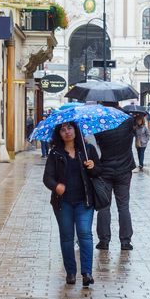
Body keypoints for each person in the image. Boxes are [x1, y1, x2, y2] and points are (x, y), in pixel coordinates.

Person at [42, 121, 100, 287]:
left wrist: (93, 166)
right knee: (67, 237)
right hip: (63, 202)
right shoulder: (55, 154)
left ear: (76, 130)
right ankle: (71, 272)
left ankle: (87, 273)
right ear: (59, 134)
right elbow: (47, 178)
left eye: (70, 128)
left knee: (85, 234)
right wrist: (56, 186)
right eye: (63, 129)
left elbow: (98, 172)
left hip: (84, 201)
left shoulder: (87, 150)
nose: (67, 132)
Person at [94, 104, 141, 252]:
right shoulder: (127, 121)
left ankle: (104, 240)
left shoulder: (100, 122)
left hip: (104, 170)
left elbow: (96, 144)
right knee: (123, 206)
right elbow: (136, 132)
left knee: (104, 206)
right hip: (124, 170)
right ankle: (125, 241)